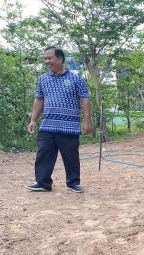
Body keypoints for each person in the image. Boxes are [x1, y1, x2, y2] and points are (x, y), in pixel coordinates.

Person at [26, 46, 91, 193]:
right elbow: (38, 100)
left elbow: (85, 100)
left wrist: (87, 122)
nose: (47, 61)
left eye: (49, 58)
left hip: (69, 126)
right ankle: (43, 183)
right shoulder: (43, 79)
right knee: (43, 154)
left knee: (71, 156)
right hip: (48, 125)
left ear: (60, 58)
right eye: (45, 58)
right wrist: (33, 120)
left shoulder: (76, 79)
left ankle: (73, 183)